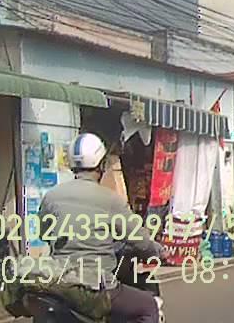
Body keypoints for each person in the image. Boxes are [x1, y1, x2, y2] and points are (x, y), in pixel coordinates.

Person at [38, 132, 164, 323]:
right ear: (101, 164)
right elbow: (141, 241)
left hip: (60, 283)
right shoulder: (111, 200)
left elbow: (44, 233)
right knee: (148, 307)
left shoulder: (51, 197)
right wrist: (159, 252)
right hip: (97, 286)